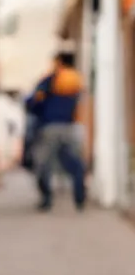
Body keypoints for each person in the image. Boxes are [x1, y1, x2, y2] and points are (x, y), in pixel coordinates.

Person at [25, 51, 86, 211]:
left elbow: (34, 101)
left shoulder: (51, 79)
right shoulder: (76, 80)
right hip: (69, 127)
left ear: (59, 62)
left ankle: (46, 199)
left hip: (49, 127)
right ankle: (79, 198)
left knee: (43, 163)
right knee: (73, 163)